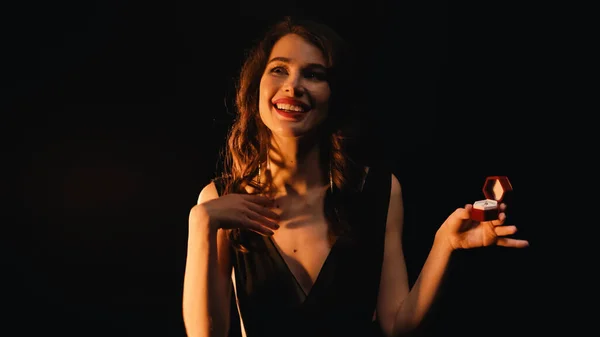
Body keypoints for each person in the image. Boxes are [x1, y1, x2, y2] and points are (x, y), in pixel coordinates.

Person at [181, 16, 529, 337]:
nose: (293, 86)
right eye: (279, 70)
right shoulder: (218, 202)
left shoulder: (378, 191)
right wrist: (201, 223)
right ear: (257, 85)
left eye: (314, 74)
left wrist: (445, 244)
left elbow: (397, 323)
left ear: (335, 96)